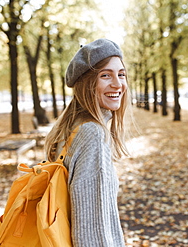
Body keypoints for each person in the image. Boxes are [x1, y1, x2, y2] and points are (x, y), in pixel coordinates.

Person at [44, 38, 130, 246]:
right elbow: (93, 231)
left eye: (121, 74)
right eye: (105, 75)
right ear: (87, 83)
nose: (118, 84)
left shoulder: (70, 127)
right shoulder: (92, 134)